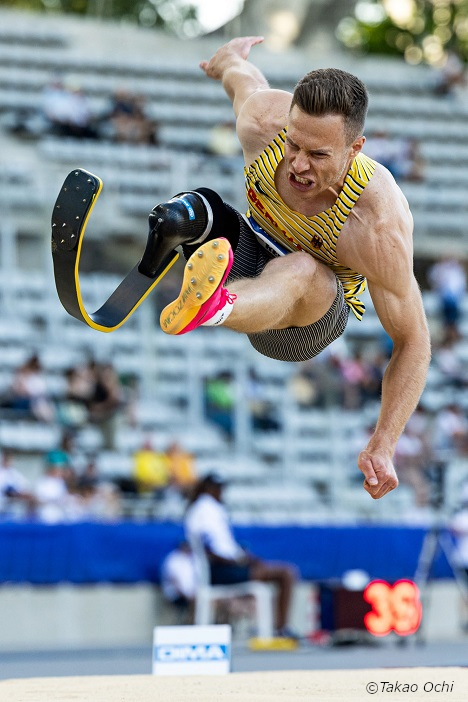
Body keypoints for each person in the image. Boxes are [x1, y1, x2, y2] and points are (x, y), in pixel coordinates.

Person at [144, 36, 431, 501]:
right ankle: (172, 235)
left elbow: (414, 341)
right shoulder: (263, 121)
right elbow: (244, 80)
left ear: (354, 149)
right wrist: (228, 61)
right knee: (199, 207)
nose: (297, 165)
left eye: (318, 155)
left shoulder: (378, 227)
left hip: (306, 319)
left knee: (300, 268)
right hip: (253, 251)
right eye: (294, 145)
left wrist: (384, 443)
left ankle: (215, 306)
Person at [185, 472, 298, 637]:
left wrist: (246, 559)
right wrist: (238, 562)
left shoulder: (210, 510)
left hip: (225, 566)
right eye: (219, 488)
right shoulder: (204, 510)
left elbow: (222, 547)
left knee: (275, 571)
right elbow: (209, 551)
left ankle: (277, 627)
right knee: (286, 573)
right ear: (210, 489)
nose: (221, 492)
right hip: (220, 570)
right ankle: (280, 629)